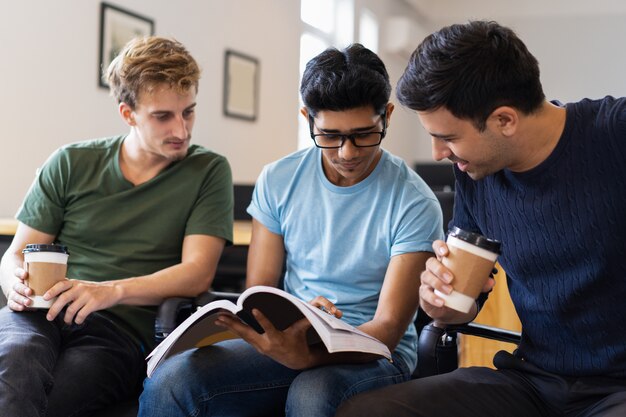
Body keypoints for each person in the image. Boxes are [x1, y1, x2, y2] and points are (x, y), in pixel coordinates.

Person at [336, 20, 626, 417]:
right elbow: (464, 301)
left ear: (504, 120)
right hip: (534, 381)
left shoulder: (614, 133)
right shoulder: (475, 173)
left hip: (617, 387)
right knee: (367, 412)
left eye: (449, 138)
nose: (439, 154)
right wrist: (441, 302)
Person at [138, 43, 444, 417]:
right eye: (330, 135)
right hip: (291, 338)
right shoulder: (280, 179)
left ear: (388, 117)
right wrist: (298, 320)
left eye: (363, 134)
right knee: (173, 379)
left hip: (376, 352)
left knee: (314, 393)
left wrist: (315, 349)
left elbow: (389, 328)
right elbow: (259, 290)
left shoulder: (414, 200)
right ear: (308, 119)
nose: (347, 152)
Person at [0, 36, 233, 417]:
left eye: (189, 112)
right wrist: (16, 286)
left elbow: (197, 274)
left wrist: (110, 291)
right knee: (15, 360)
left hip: (118, 331)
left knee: (54, 396)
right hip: (40, 312)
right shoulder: (71, 162)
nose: (182, 130)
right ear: (128, 113)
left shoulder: (208, 170)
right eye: (163, 116)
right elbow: (15, 255)